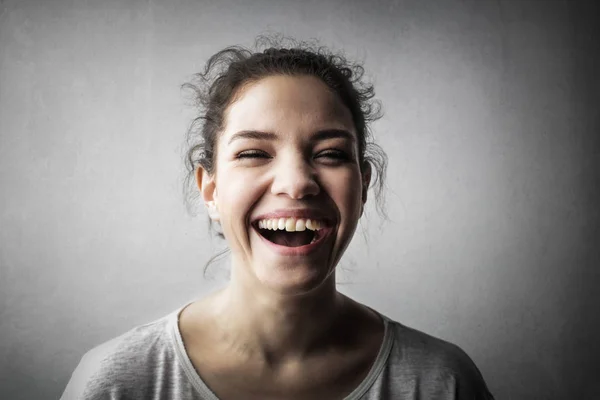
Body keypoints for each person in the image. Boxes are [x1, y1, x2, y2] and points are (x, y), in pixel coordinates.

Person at [61, 36, 495, 400]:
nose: (296, 183)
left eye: (330, 154)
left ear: (363, 186)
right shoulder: (118, 383)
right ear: (209, 189)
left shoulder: (443, 382)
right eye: (253, 153)